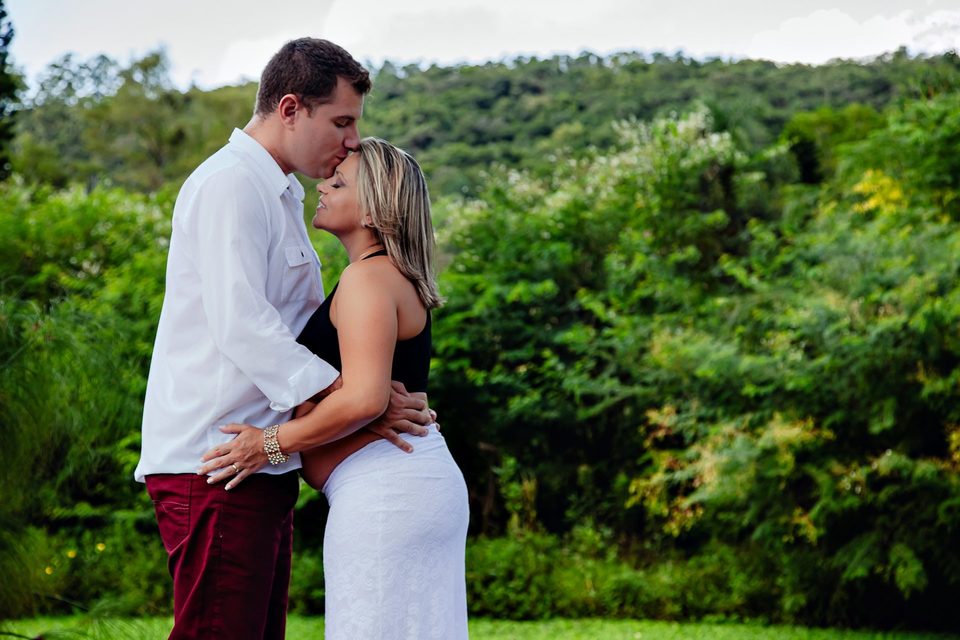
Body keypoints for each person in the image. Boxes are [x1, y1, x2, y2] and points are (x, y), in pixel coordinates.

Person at [134, 39, 434, 640]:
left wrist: (361, 400)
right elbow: (242, 322)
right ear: (291, 108)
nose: (351, 141)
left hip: (264, 459)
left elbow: (296, 331)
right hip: (217, 461)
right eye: (342, 122)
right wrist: (355, 398)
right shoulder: (231, 185)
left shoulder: (281, 194)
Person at [198, 137, 470, 639]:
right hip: (401, 487)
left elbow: (365, 399)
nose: (322, 186)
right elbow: (369, 393)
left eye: (339, 183)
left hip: (388, 494)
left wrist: (268, 444)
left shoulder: (368, 279)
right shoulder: (386, 276)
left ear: (375, 210)